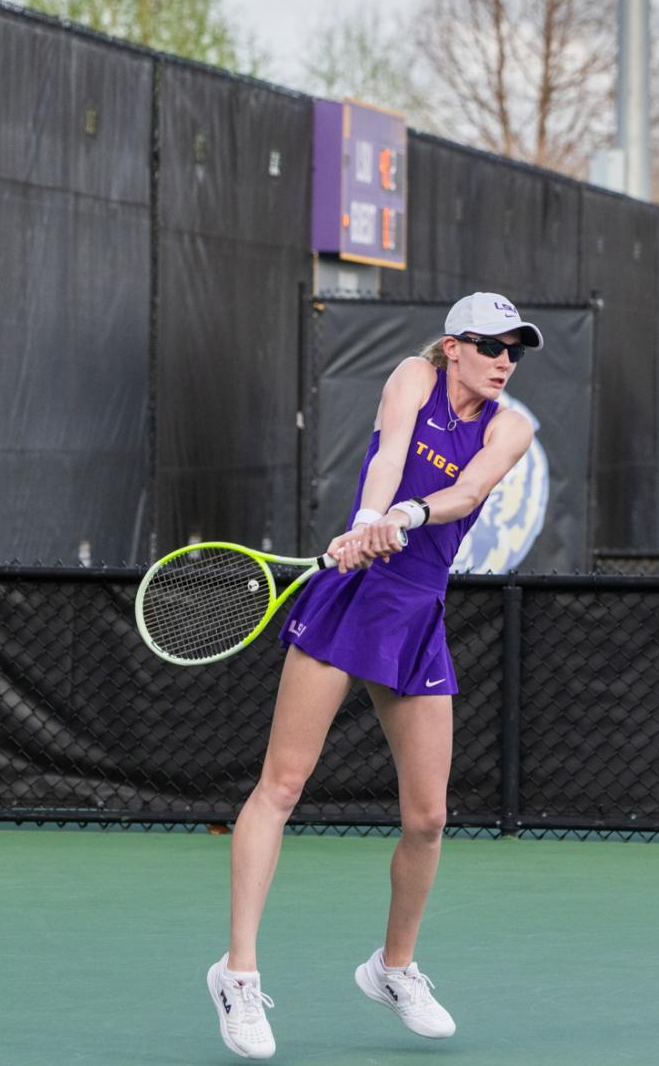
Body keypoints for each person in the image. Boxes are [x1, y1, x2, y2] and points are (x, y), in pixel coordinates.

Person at [206, 291, 540, 1060]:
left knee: (427, 819)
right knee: (281, 786)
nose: (504, 362)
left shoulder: (511, 428)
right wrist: (367, 522)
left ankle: (392, 969)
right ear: (453, 346)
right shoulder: (412, 378)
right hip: (350, 595)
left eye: (514, 351)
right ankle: (237, 974)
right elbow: (389, 455)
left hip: (416, 614)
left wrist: (408, 517)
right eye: (491, 346)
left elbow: (467, 492)